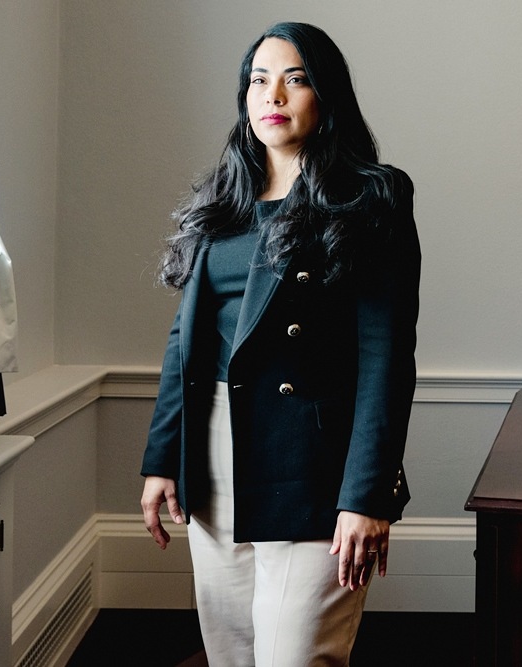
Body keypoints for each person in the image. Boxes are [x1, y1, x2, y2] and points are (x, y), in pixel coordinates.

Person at [140, 21, 420, 666]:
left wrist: (366, 495)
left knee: (296, 657)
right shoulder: (222, 201)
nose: (274, 94)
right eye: (258, 80)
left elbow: (385, 356)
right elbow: (188, 342)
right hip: (215, 454)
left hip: (316, 461)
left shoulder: (371, 195)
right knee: (231, 653)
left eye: (295, 79)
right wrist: (163, 457)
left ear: (326, 96)